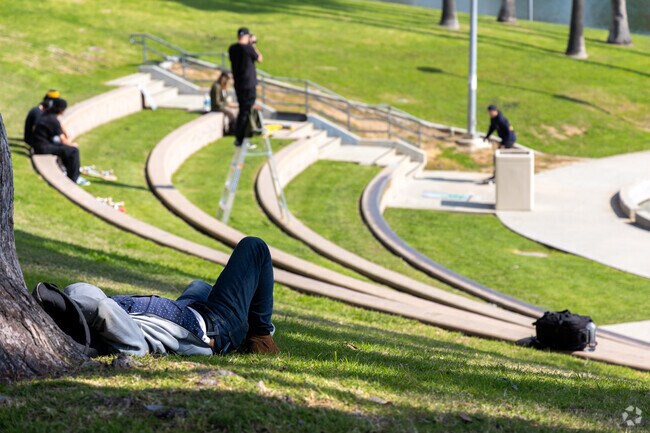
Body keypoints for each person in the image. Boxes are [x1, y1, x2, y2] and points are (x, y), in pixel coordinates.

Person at [65, 237, 279, 356]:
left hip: (187, 310)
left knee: (199, 285)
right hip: (211, 327)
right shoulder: (113, 327)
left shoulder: (100, 312)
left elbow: (84, 293)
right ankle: (260, 335)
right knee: (254, 247)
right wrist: (84, 309)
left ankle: (246, 319)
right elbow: (134, 347)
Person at [31, 98, 90, 186]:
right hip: (42, 148)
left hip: (40, 144)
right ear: (61, 109)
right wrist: (73, 145)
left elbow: (60, 126)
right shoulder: (52, 120)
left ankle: (69, 172)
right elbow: (63, 140)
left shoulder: (47, 115)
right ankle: (74, 179)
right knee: (73, 151)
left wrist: (67, 136)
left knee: (67, 149)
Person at [228, 27, 263, 147]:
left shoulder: (232, 49)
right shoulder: (248, 49)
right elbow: (259, 59)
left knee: (243, 110)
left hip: (239, 84)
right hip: (249, 85)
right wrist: (253, 44)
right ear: (247, 37)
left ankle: (241, 138)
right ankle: (241, 139)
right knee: (245, 111)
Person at [482, 105, 517, 183]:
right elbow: (492, 128)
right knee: (498, 157)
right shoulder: (494, 119)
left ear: (495, 111)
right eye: (489, 113)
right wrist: (487, 136)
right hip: (505, 139)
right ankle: (497, 175)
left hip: (509, 139)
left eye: (491, 112)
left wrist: (504, 144)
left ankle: (502, 175)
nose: (490, 114)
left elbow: (508, 132)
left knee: (500, 157)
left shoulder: (501, 119)